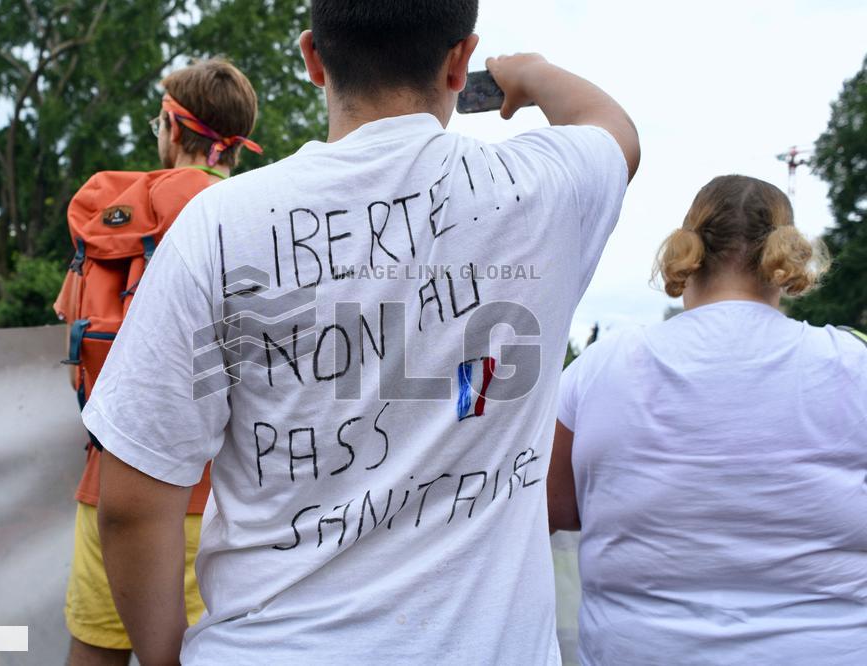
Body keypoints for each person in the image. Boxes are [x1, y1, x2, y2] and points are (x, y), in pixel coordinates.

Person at [83, 1, 639, 663]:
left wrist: (167, 658)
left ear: (314, 58)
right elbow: (616, 133)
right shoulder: (543, 192)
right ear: (460, 61)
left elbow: (132, 501)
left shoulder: (221, 225)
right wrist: (531, 71)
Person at [548, 175, 867, 665]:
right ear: (785, 258)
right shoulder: (853, 363)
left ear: (688, 253)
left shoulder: (599, 368)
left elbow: (556, 509)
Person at [53, 58, 260, 666]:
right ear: (236, 144)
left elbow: (76, 361)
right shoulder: (259, 217)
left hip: (107, 492)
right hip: (223, 502)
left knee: (95, 652)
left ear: (172, 127)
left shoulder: (106, 221)